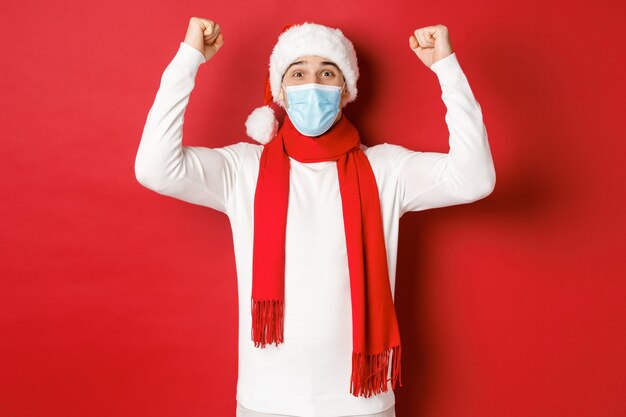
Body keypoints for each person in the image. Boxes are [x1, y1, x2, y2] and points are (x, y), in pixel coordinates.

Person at [134, 17, 496, 417]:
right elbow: (155, 167)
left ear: (345, 92)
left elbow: (474, 178)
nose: (312, 84)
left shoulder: (386, 169)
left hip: (362, 402)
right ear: (281, 91)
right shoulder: (243, 168)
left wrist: (446, 68)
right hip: (266, 400)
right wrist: (188, 59)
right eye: (298, 72)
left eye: (327, 72)